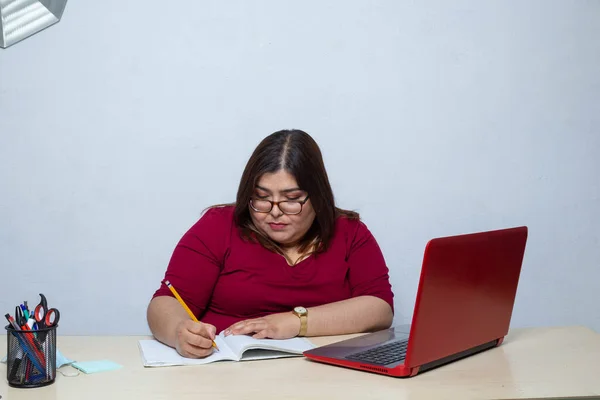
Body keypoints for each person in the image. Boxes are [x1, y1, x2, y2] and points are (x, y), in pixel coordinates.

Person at [147, 129, 394, 358]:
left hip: (324, 375)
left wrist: (295, 322)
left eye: (291, 199)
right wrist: (179, 331)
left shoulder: (350, 232)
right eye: (262, 198)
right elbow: (165, 303)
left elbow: (380, 309)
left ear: (318, 197)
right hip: (227, 373)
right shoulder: (218, 226)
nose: (275, 212)